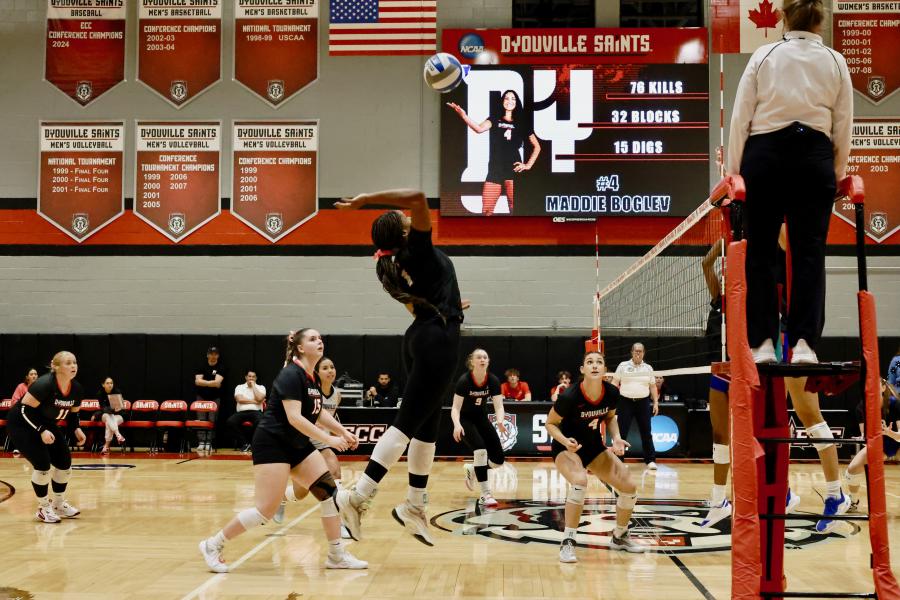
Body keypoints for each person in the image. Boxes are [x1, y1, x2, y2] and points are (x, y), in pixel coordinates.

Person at [333, 189, 466, 546]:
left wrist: (450, 302)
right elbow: (419, 197)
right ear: (405, 232)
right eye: (404, 217)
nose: (408, 214)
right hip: (437, 340)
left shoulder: (392, 264)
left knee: (427, 426)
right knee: (407, 424)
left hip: (425, 333)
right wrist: (364, 199)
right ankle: (357, 497)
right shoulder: (416, 251)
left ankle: (414, 504)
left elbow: (416, 304)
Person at [726, 0, 853, 365]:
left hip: (765, 158)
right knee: (810, 253)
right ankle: (804, 346)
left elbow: (741, 118)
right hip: (813, 159)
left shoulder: (764, 55)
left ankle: (763, 343)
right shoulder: (835, 61)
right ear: (820, 22)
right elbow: (843, 122)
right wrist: (837, 171)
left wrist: (733, 172)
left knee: (761, 253)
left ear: (783, 16)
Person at [199, 329, 366, 572]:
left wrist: (341, 431)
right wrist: (329, 441)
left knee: (329, 494)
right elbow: (295, 418)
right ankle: (212, 544)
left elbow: (317, 412)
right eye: (312, 338)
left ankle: (336, 555)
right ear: (300, 348)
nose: (319, 341)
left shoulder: (311, 378)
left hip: (297, 444)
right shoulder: (291, 374)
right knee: (264, 511)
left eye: (320, 338)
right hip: (272, 444)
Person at [546, 351, 645, 562]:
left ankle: (620, 536)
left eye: (599, 362)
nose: (594, 365)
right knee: (580, 482)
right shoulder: (569, 396)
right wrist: (564, 441)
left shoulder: (611, 392)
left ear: (605, 369)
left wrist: (616, 437)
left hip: (593, 447)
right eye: (589, 362)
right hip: (566, 447)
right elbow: (550, 423)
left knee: (629, 486)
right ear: (582, 370)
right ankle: (569, 541)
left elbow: (610, 417)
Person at [6, 351, 86, 523]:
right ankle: (43, 508)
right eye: (68, 363)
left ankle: (58, 503)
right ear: (55, 366)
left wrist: (76, 429)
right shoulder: (43, 384)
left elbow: (73, 415)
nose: (73, 366)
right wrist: (41, 430)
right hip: (22, 424)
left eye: (75, 362)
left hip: (46, 424)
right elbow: (24, 410)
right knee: (43, 464)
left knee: (64, 464)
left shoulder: (77, 388)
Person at [275, 356, 350, 535]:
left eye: (332, 367)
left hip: (321, 442)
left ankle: (341, 524)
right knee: (300, 493)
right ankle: (280, 498)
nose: (330, 371)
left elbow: (330, 419)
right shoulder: (308, 391)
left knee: (335, 472)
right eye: (325, 368)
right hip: (302, 441)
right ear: (316, 372)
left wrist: (341, 434)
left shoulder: (336, 394)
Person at [447, 90, 541, 216]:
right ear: (502, 101)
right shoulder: (494, 119)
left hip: (513, 168)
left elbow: (537, 146)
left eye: (513, 98)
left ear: (516, 102)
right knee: (486, 212)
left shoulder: (522, 123)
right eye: (506, 98)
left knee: (515, 209)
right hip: (495, 169)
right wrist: (463, 115)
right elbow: (479, 129)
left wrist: (528, 165)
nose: (509, 101)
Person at [451, 348, 507, 507]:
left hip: (481, 418)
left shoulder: (493, 380)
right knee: (481, 451)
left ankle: (473, 469)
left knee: (498, 460)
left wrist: (501, 421)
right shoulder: (464, 381)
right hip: (465, 419)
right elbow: (455, 408)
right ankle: (485, 494)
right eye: (479, 357)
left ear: (488, 361)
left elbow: (499, 406)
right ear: (472, 362)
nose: (482, 359)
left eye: (485, 357)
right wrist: (457, 425)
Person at [844, 379, 900, 512]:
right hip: (879, 443)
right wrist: (862, 437)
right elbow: (865, 435)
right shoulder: (862, 407)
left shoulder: (895, 404)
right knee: (852, 468)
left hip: (895, 439)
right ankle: (853, 501)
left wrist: (889, 432)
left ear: (883, 388)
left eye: (876, 387)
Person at [612, 343, 659, 470]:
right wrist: (610, 399)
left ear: (644, 353)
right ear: (631, 352)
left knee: (646, 432)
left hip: (643, 402)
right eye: (636, 351)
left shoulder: (648, 368)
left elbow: (653, 386)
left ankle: (650, 460)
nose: (638, 353)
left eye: (640, 351)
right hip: (625, 402)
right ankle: (618, 460)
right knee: (621, 432)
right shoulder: (623, 366)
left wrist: (655, 402)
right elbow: (614, 383)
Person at [226, 369, 266, 453]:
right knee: (230, 422)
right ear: (246, 377)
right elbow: (240, 399)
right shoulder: (239, 387)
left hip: (256, 411)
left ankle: (253, 444)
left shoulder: (261, 387)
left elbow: (259, 398)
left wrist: (254, 386)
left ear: (256, 378)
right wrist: (256, 401)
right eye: (249, 376)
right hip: (241, 412)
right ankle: (245, 443)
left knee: (261, 421)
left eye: (253, 377)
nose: (251, 378)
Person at [194, 346, 225, 452]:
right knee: (201, 420)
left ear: (218, 355)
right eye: (211, 354)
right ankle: (201, 442)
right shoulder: (201, 365)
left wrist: (205, 382)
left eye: (215, 354)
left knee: (212, 420)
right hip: (201, 397)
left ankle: (209, 442)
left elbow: (218, 382)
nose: (213, 356)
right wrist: (211, 383)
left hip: (214, 398)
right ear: (207, 355)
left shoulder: (221, 367)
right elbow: (197, 381)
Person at [95, 376, 127, 454]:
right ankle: (118, 435)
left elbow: (119, 409)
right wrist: (112, 409)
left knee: (109, 421)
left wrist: (116, 407)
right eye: (107, 383)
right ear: (103, 385)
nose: (110, 385)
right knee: (108, 416)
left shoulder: (117, 392)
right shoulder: (100, 394)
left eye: (111, 383)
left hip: (118, 415)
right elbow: (103, 409)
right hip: (105, 414)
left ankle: (106, 446)